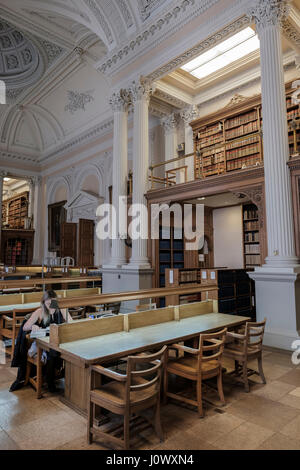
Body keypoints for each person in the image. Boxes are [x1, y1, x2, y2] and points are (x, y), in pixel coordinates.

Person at [9, 290, 72, 393]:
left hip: (56, 341)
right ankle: (50, 380)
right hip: (41, 344)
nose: (51, 306)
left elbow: (71, 322)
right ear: (43, 302)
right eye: (48, 304)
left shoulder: (61, 309)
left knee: (60, 351)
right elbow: (25, 327)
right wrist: (33, 326)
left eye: (53, 303)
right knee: (52, 351)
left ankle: (59, 377)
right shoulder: (40, 311)